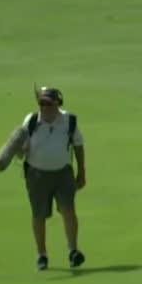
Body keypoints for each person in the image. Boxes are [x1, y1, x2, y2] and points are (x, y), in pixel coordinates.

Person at [20, 86, 86, 271]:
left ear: (57, 103)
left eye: (48, 103)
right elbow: (19, 149)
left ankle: (73, 251)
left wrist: (82, 171)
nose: (44, 107)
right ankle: (42, 255)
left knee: (68, 210)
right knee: (39, 215)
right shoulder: (31, 121)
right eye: (41, 103)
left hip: (63, 173)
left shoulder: (69, 121)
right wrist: (21, 149)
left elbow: (78, 145)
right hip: (36, 174)